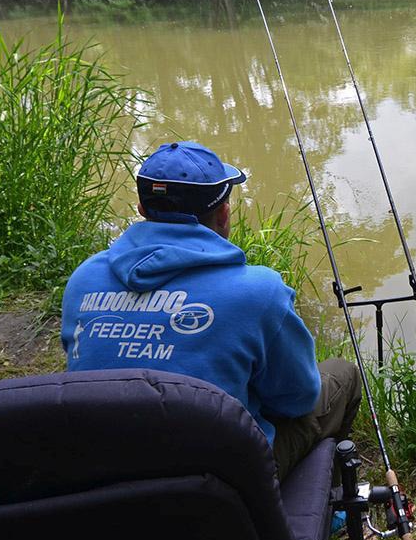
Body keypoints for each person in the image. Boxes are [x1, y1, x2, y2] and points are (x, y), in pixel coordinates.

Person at [60, 140, 361, 480]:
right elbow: (298, 399)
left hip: (104, 472)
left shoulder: (83, 279)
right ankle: (323, 500)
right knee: (342, 375)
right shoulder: (259, 291)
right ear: (223, 214)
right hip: (220, 486)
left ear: (143, 209)